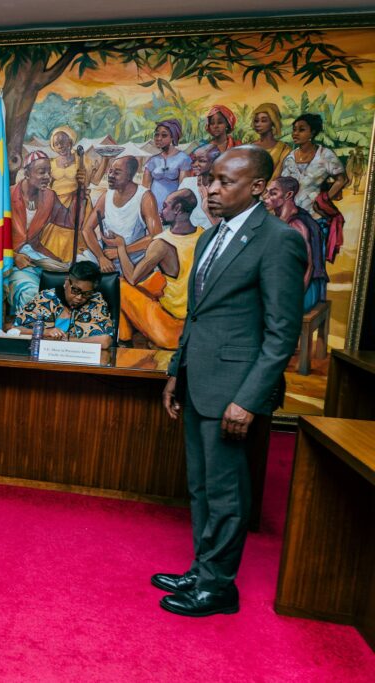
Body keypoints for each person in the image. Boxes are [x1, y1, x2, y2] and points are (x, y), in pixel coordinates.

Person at [156, 145, 306, 617]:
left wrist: (248, 399)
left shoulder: (278, 241)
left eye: (225, 182)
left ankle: (218, 588)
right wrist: (175, 372)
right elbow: (197, 315)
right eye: (211, 181)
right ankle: (203, 570)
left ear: (258, 187)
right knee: (201, 486)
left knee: (226, 492)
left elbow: (282, 334)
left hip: (234, 391)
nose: (212, 190)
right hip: (197, 381)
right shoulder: (209, 238)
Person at [109, 189, 204, 349]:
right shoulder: (203, 234)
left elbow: (132, 278)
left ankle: (124, 340)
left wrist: (120, 247)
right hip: (195, 326)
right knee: (156, 279)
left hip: (171, 330)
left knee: (119, 285)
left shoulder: (161, 244)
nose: (161, 211)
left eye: (165, 206)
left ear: (177, 209)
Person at [8, 151, 85, 314]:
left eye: (49, 172)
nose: (47, 177)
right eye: (41, 172)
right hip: (10, 263)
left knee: (70, 283)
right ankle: (26, 326)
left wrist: (80, 191)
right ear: (27, 173)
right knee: (30, 293)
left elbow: (72, 222)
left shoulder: (49, 196)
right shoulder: (7, 195)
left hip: (37, 259)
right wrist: (13, 256)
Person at [80, 156, 162, 272]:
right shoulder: (107, 196)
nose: (111, 176)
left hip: (132, 259)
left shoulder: (145, 197)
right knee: (77, 266)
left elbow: (156, 236)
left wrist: (121, 251)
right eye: (110, 171)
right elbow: (87, 229)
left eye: (117, 173)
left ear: (129, 176)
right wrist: (101, 257)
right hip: (106, 255)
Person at [12, 260, 114, 348]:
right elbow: (14, 330)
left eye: (86, 294)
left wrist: (64, 341)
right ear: (66, 282)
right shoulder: (46, 298)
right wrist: (45, 332)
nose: (79, 297)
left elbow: (105, 341)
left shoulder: (95, 302)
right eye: (75, 290)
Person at [264, 176, 326, 310]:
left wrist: (295, 299)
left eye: (273, 193)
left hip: (303, 290)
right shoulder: (277, 220)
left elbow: (308, 266)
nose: (265, 197)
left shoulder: (297, 225)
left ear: (288, 195)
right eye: (266, 192)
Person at [281, 113, 348, 215]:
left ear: (312, 133)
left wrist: (323, 200)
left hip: (315, 213)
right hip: (290, 213)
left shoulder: (324, 155)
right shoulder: (290, 158)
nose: (295, 133)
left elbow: (342, 180)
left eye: (301, 130)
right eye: (294, 130)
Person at [143, 119, 192, 214]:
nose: (159, 138)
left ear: (173, 137)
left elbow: (184, 189)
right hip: (152, 206)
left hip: (173, 208)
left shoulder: (183, 159)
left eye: (164, 135)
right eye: (156, 135)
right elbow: (145, 189)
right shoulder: (152, 160)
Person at [49, 125, 105, 208]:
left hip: (78, 203)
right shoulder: (51, 163)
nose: (60, 146)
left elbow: (95, 181)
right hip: (57, 205)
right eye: (56, 144)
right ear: (53, 146)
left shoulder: (81, 158)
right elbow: (46, 187)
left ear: (70, 142)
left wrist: (105, 159)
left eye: (62, 142)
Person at [177, 144, 221, 229]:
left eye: (202, 161)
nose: (195, 164)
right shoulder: (187, 183)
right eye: (193, 160)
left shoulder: (221, 187)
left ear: (214, 162)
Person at [250, 103, 290, 178]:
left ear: (273, 122)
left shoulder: (284, 149)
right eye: (256, 121)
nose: (258, 124)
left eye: (264, 121)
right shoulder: (250, 147)